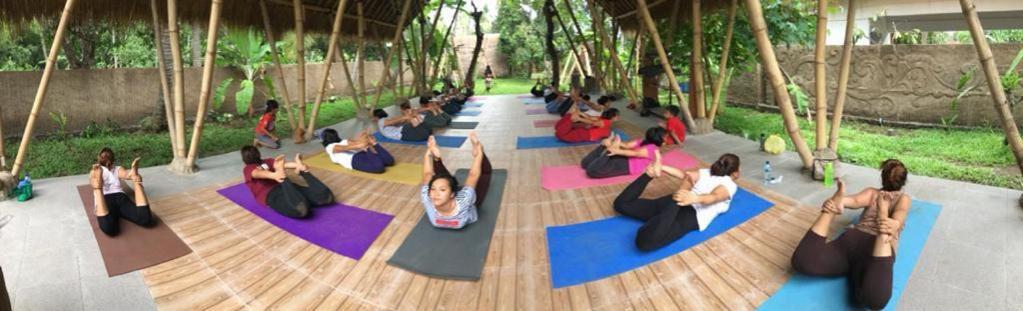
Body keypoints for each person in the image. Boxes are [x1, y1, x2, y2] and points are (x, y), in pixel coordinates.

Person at [790, 159, 911, 310]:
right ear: (904, 181)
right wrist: (839, 202)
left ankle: (880, 223)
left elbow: (899, 213)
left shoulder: (886, 196)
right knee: (875, 300)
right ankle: (833, 212)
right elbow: (854, 200)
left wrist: (894, 222)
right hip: (866, 245)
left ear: (882, 177)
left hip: (863, 244)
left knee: (875, 299)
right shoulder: (881, 194)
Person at [613, 152, 740, 251]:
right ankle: (657, 220)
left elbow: (686, 177)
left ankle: (648, 176)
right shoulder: (729, 184)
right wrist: (695, 198)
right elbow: (715, 197)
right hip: (687, 213)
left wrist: (663, 168)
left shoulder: (707, 172)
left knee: (622, 205)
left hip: (673, 202)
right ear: (735, 172)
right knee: (645, 243)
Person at [420, 132, 492, 229]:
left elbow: (473, 175)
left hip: (465, 205)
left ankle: (480, 150)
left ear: (452, 194)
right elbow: (427, 175)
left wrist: (478, 155)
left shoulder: (464, 200)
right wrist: (429, 153)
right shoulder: (427, 197)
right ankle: (437, 159)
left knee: (485, 174)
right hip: (451, 191)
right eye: (432, 189)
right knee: (442, 180)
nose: (435, 194)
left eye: (442, 190)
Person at [240, 146, 334, 218]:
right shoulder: (251, 168)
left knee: (323, 200)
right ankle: (293, 176)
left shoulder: (264, 162)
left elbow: (285, 165)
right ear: (258, 153)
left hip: (285, 189)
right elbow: (257, 173)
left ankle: (299, 173)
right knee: (307, 207)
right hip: (276, 192)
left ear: (244, 159)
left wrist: (298, 166)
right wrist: (275, 175)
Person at [89, 148, 155, 236]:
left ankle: (98, 189)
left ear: (99, 158)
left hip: (106, 199)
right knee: (145, 219)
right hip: (119, 198)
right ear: (113, 160)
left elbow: (126, 175)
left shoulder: (99, 170)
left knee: (109, 229)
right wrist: (132, 176)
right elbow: (126, 175)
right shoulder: (110, 169)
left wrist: (132, 176)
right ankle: (136, 181)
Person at [580, 127, 666, 178]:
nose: (666, 139)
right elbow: (627, 146)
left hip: (625, 162)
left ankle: (606, 147)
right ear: (659, 139)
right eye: (665, 137)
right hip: (627, 165)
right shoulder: (651, 147)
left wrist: (616, 149)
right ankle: (607, 146)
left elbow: (634, 152)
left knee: (590, 168)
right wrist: (614, 143)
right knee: (590, 170)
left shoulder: (648, 146)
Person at [320, 128, 395, 174]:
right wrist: (362, 144)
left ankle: (375, 144)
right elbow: (344, 148)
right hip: (357, 158)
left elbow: (358, 142)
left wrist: (365, 138)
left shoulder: (332, 146)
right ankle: (372, 145)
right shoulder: (331, 147)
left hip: (356, 159)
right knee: (380, 166)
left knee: (389, 162)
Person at [554, 104, 619, 143]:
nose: (618, 117)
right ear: (613, 116)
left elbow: (591, 119)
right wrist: (580, 115)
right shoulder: (606, 122)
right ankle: (570, 116)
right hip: (586, 134)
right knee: (560, 134)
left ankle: (569, 115)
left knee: (560, 131)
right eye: (617, 115)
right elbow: (592, 121)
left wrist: (579, 115)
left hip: (585, 132)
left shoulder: (603, 119)